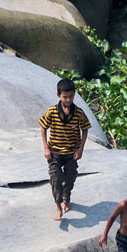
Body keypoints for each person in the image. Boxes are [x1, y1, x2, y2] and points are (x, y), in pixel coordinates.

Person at [39, 79, 90, 220]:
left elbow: (85, 129)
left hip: (71, 154)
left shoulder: (78, 113)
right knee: (55, 178)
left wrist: (80, 150)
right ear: (58, 95)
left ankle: (65, 199)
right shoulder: (52, 112)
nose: (68, 100)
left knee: (70, 177)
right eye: (65, 97)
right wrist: (46, 148)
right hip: (54, 153)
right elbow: (43, 128)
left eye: (71, 96)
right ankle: (58, 206)